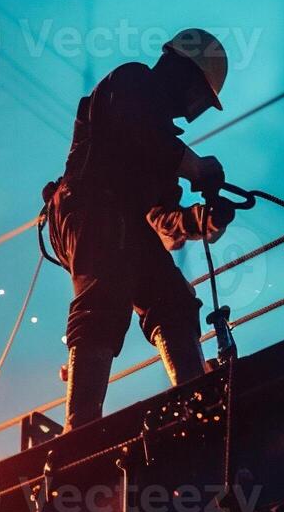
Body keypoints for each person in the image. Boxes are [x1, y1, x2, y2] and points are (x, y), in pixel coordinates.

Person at [46, 29, 237, 430]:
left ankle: (194, 400)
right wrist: (197, 167)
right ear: (183, 72)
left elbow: (162, 220)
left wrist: (203, 219)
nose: (194, 109)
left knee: (173, 299)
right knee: (106, 293)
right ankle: (78, 428)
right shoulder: (132, 81)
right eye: (200, 97)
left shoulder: (162, 145)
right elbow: (141, 132)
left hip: (123, 228)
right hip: (88, 212)